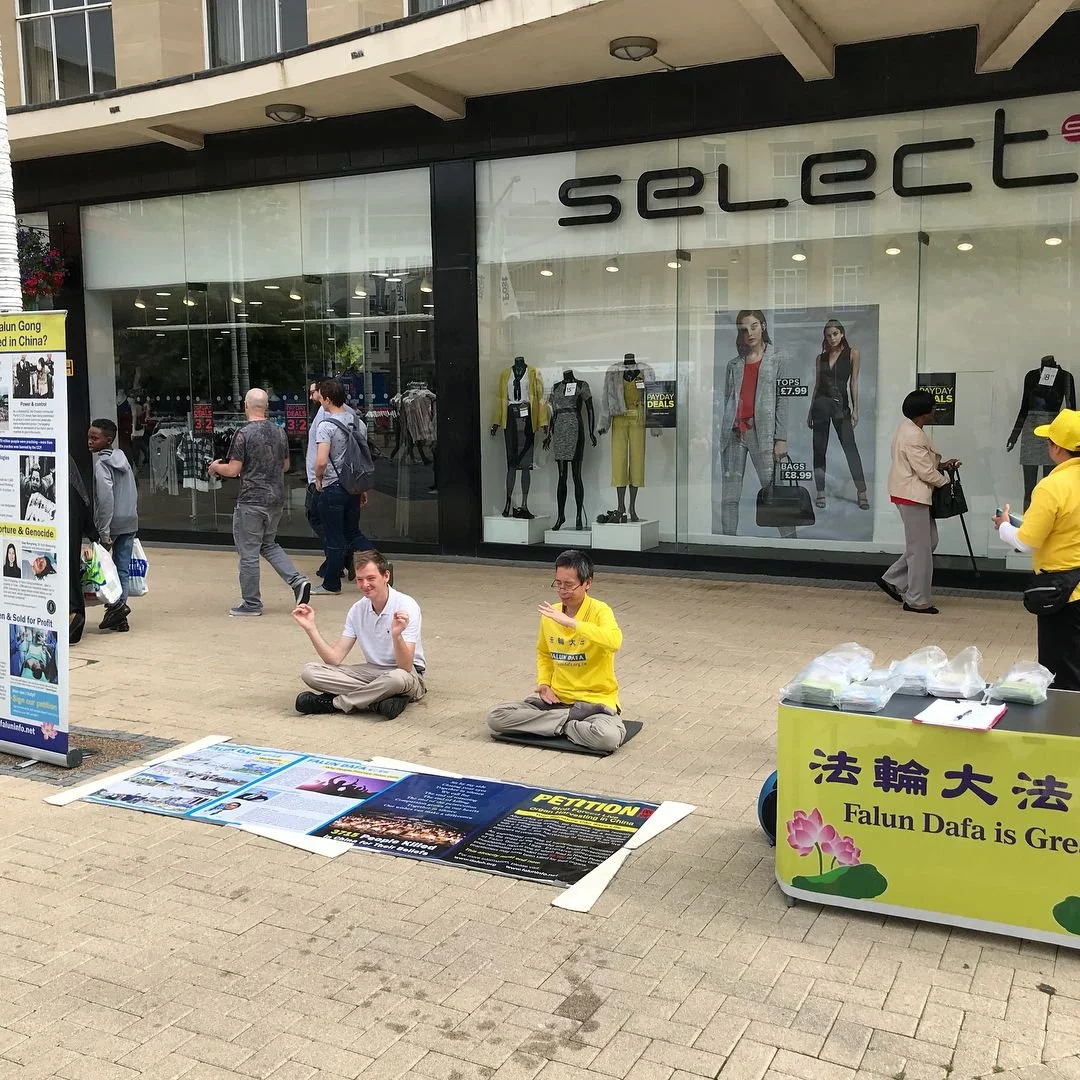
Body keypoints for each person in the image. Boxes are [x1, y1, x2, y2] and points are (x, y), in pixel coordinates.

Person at [487, 549, 628, 753]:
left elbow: (614, 641)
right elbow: (544, 653)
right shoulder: (550, 613)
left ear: (587, 583)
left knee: (607, 738)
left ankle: (549, 726)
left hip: (594, 704)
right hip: (557, 701)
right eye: (558, 583)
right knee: (496, 716)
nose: (562, 590)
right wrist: (544, 684)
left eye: (569, 585)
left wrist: (572, 623)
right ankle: (568, 724)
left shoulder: (600, 611)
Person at [993, 409, 1080, 691]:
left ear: (1057, 448)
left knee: (1063, 675)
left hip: (1064, 593)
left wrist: (1005, 525)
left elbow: (1027, 541)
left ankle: (1063, 731)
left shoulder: (1051, 487)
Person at [209, 388, 311, 617]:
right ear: (266, 407)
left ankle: (251, 604)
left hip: (251, 500)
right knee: (268, 544)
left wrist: (215, 468)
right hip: (275, 499)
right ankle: (298, 581)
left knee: (248, 553)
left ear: (246, 405)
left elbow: (234, 470)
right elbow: (285, 466)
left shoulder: (243, 433)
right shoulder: (279, 432)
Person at [292, 549, 425, 719]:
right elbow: (334, 658)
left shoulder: (407, 605)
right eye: (360, 580)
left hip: (407, 673)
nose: (365, 585)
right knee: (310, 672)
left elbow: (405, 667)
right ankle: (379, 699)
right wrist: (310, 628)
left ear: (386, 576)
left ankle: (335, 703)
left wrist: (396, 635)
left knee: (396, 680)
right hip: (372, 671)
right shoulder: (357, 609)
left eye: (371, 578)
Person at [877, 390, 959, 615]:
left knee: (927, 543)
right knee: (921, 549)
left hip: (909, 493)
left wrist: (941, 467)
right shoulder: (914, 435)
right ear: (924, 413)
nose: (935, 411)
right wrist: (945, 482)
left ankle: (893, 579)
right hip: (912, 495)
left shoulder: (909, 430)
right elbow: (925, 472)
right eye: (932, 407)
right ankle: (916, 599)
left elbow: (921, 465)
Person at [715, 309, 794, 537]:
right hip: (735, 433)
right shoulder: (734, 364)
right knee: (730, 496)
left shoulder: (778, 357)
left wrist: (781, 438)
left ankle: (791, 543)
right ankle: (728, 541)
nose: (750, 333)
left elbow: (783, 400)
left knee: (774, 491)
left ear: (763, 326)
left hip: (764, 433)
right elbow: (729, 401)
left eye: (754, 326)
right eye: (744, 329)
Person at [311, 378, 372, 596]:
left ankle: (331, 584)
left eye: (321, 397)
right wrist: (361, 488)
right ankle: (378, 563)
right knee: (353, 532)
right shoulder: (354, 421)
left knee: (334, 537)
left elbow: (321, 460)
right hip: (352, 486)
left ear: (327, 399)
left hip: (333, 487)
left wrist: (318, 478)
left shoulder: (326, 426)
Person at [807, 318, 869, 511]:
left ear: (842, 334)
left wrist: (856, 409)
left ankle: (862, 492)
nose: (832, 338)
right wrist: (810, 410)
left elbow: (854, 383)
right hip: (820, 406)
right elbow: (817, 385)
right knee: (819, 449)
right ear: (825, 338)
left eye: (835, 334)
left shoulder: (853, 354)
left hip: (841, 407)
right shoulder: (821, 358)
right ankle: (820, 492)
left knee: (850, 448)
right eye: (828, 335)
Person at [89, 418, 140, 632]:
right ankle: (120, 617)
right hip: (129, 519)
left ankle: (117, 608)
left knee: (105, 570)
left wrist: (103, 530)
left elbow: (106, 498)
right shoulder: (122, 457)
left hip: (112, 524)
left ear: (107, 440)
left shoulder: (102, 464)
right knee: (122, 569)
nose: (89, 441)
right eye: (89, 437)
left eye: (95, 438)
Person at [68, 454, 98, 644]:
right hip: (73, 518)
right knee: (70, 568)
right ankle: (74, 613)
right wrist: (92, 532)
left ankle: (71, 615)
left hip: (56, 520)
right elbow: (82, 495)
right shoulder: (66, 459)